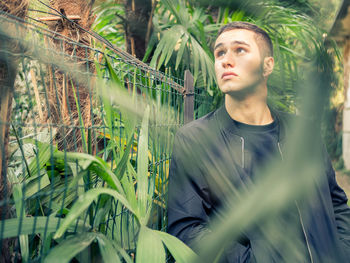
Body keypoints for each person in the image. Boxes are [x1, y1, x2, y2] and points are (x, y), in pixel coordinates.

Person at [167, 21, 350, 262]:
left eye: (239, 50)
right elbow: (186, 229)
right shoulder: (195, 140)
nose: (225, 60)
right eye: (220, 52)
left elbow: (336, 202)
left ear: (267, 66)